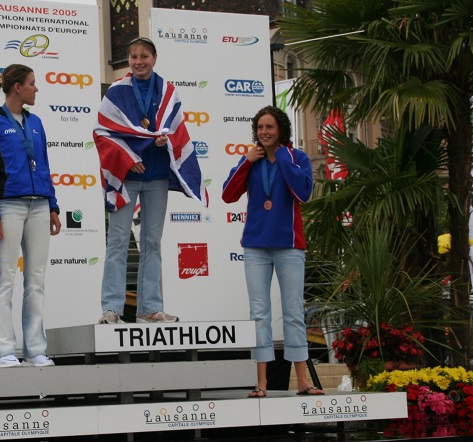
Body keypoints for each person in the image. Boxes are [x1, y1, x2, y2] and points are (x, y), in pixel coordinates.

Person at [93, 37, 207, 324]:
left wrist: (165, 141)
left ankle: (150, 309)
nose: (138, 61)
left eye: (144, 56)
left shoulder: (168, 91)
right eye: (133, 56)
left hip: (156, 175)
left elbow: (177, 130)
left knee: (152, 242)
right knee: (118, 241)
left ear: (154, 58)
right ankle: (112, 309)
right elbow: (103, 131)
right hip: (126, 175)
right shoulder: (117, 90)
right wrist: (129, 156)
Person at [221, 106, 323, 397]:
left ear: (281, 130)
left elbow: (304, 193)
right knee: (259, 314)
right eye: (260, 127)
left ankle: (302, 381)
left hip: (289, 245)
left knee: (293, 312)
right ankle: (261, 383)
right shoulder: (250, 159)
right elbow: (228, 195)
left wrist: (283, 159)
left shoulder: (297, 157)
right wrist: (246, 163)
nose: (264, 132)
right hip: (256, 246)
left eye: (270, 127)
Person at [0, 64, 62, 368]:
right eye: (32, 83)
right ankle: (4, 351)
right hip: (8, 206)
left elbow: (44, 166)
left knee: (35, 279)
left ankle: (35, 350)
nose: (37, 88)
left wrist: (53, 206)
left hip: (39, 206)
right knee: (6, 278)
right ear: (17, 87)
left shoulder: (36, 122)